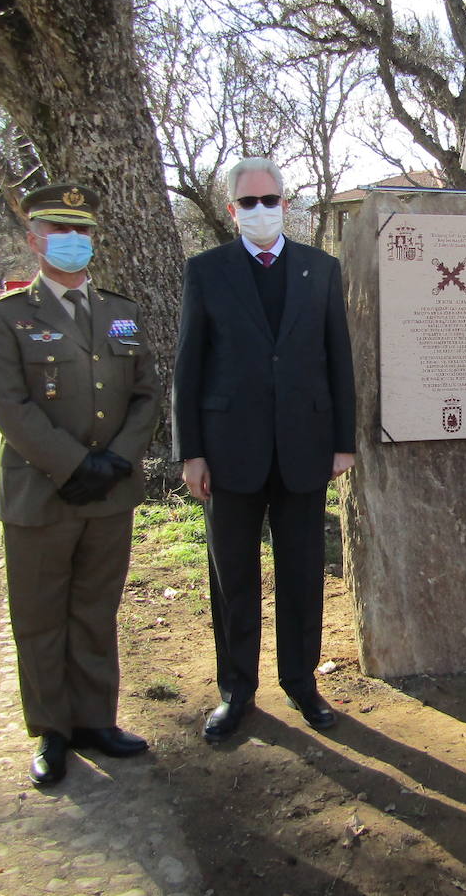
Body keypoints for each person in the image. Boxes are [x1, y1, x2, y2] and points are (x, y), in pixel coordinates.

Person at [0, 183, 161, 786]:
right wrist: (76, 465)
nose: (73, 243)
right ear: (34, 240)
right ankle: (52, 731)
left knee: (94, 609)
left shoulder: (120, 310)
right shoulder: (3, 317)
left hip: (109, 493)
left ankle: (95, 720)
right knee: (40, 613)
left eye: (82, 232)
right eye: (60, 232)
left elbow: (147, 394)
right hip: (42, 491)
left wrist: (118, 461)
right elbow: (8, 404)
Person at [173, 157, 357, 741]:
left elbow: (338, 361)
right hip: (230, 453)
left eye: (270, 199)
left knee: (302, 572)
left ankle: (301, 682)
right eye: (248, 203)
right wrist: (192, 452)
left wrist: (343, 442)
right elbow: (189, 367)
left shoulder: (320, 269)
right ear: (232, 210)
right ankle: (237, 691)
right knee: (233, 575)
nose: (261, 210)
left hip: (304, 448)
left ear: (285, 201)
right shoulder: (206, 272)